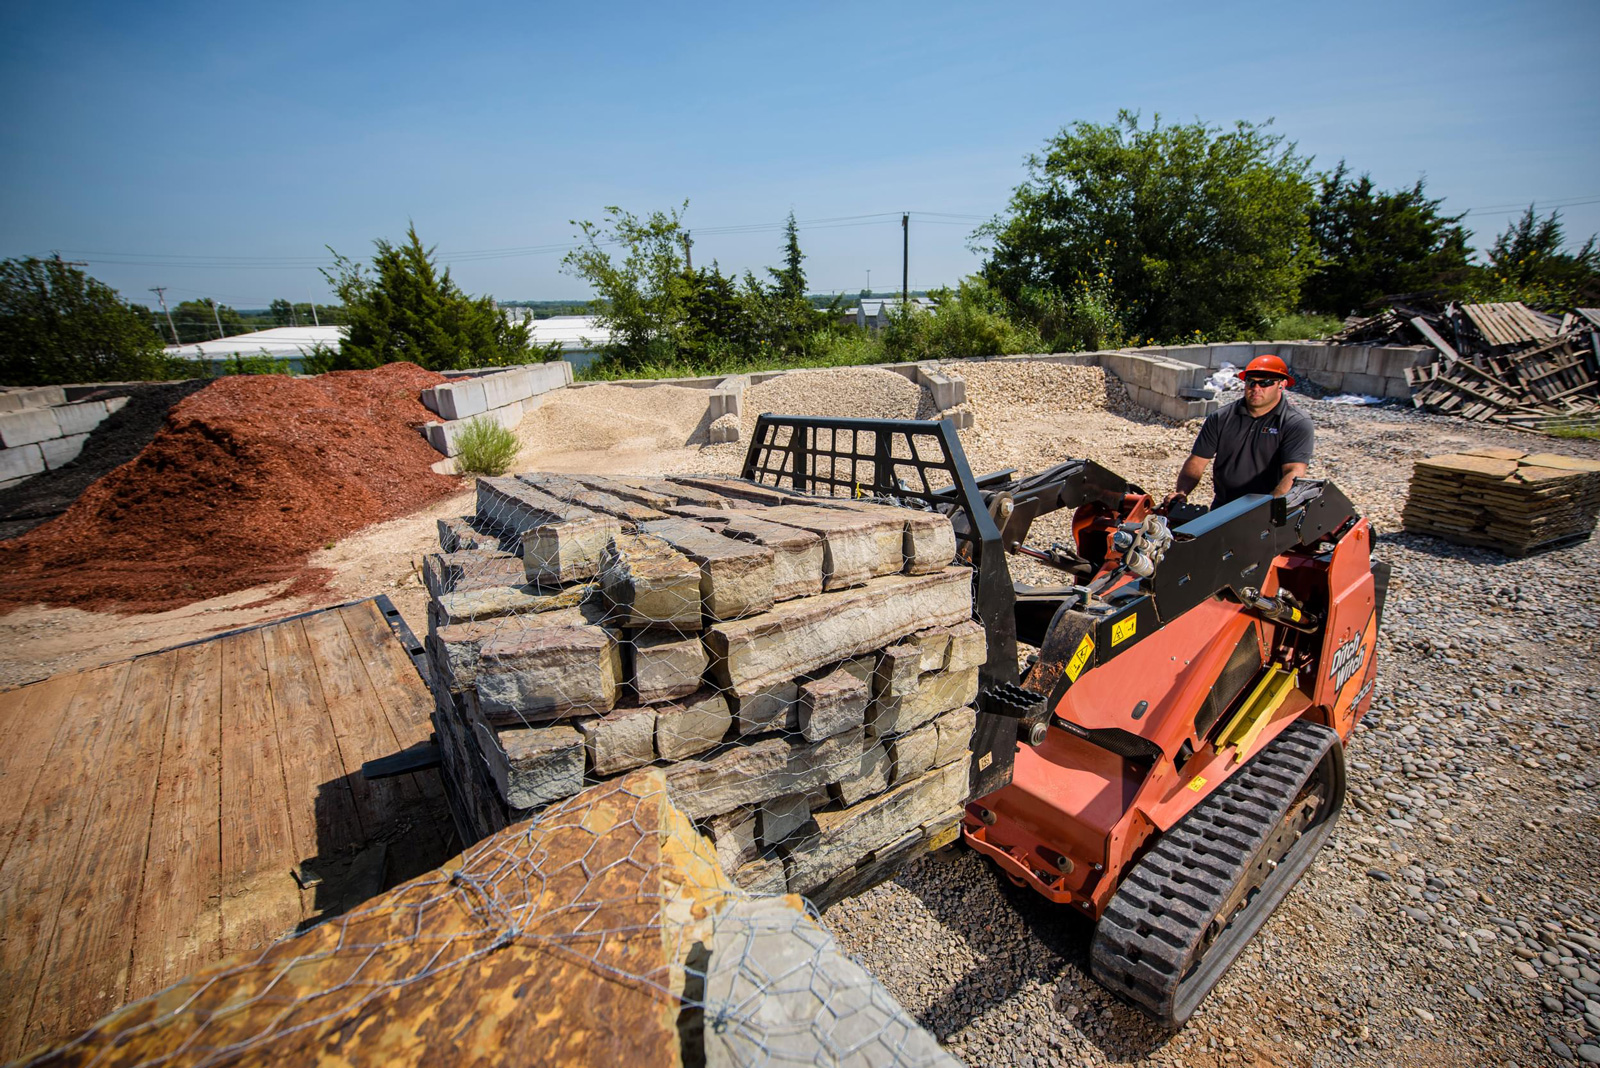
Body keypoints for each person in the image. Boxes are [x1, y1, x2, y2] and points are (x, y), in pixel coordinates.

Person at [1163, 354, 1314, 510]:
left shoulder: (1296, 423)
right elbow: (1197, 461)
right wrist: (1181, 492)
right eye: (1251, 382)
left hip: (1264, 509)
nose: (1256, 388)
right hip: (1223, 504)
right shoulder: (1221, 418)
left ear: (1282, 385)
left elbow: (1293, 472)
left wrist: (1270, 507)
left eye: (1265, 383)